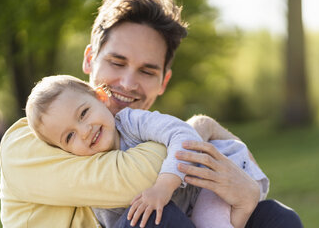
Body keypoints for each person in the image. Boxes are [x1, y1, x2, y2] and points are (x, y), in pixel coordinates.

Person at [0, 0, 303, 228]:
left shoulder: (132, 129)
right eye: (117, 63)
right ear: (90, 58)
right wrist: (198, 130)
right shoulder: (27, 141)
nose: (128, 83)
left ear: (163, 82)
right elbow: (140, 179)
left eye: (147, 71)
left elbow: (236, 173)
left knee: (276, 218)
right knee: (152, 217)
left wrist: (246, 198)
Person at [25, 74, 269, 228]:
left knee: (209, 222)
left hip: (214, 175)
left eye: (83, 113)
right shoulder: (87, 170)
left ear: (101, 97)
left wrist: (163, 186)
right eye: (69, 136)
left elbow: (182, 133)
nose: (84, 131)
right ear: (62, 150)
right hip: (186, 204)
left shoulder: (131, 121)